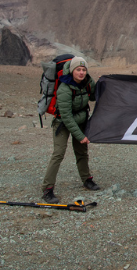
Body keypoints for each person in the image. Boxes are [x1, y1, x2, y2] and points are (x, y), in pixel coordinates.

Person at [41, 56, 101, 203]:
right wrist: (81, 136)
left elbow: (94, 96)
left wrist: (103, 85)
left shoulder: (87, 82)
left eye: (84, 70)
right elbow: (66, 117)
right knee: (58, 154)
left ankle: (87, 180)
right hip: (62, 123)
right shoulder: (64, 88)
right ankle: (47, 189)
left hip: (80, 120)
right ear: (72, 70)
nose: (81, 73)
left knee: (82, 152)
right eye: (78, 69)